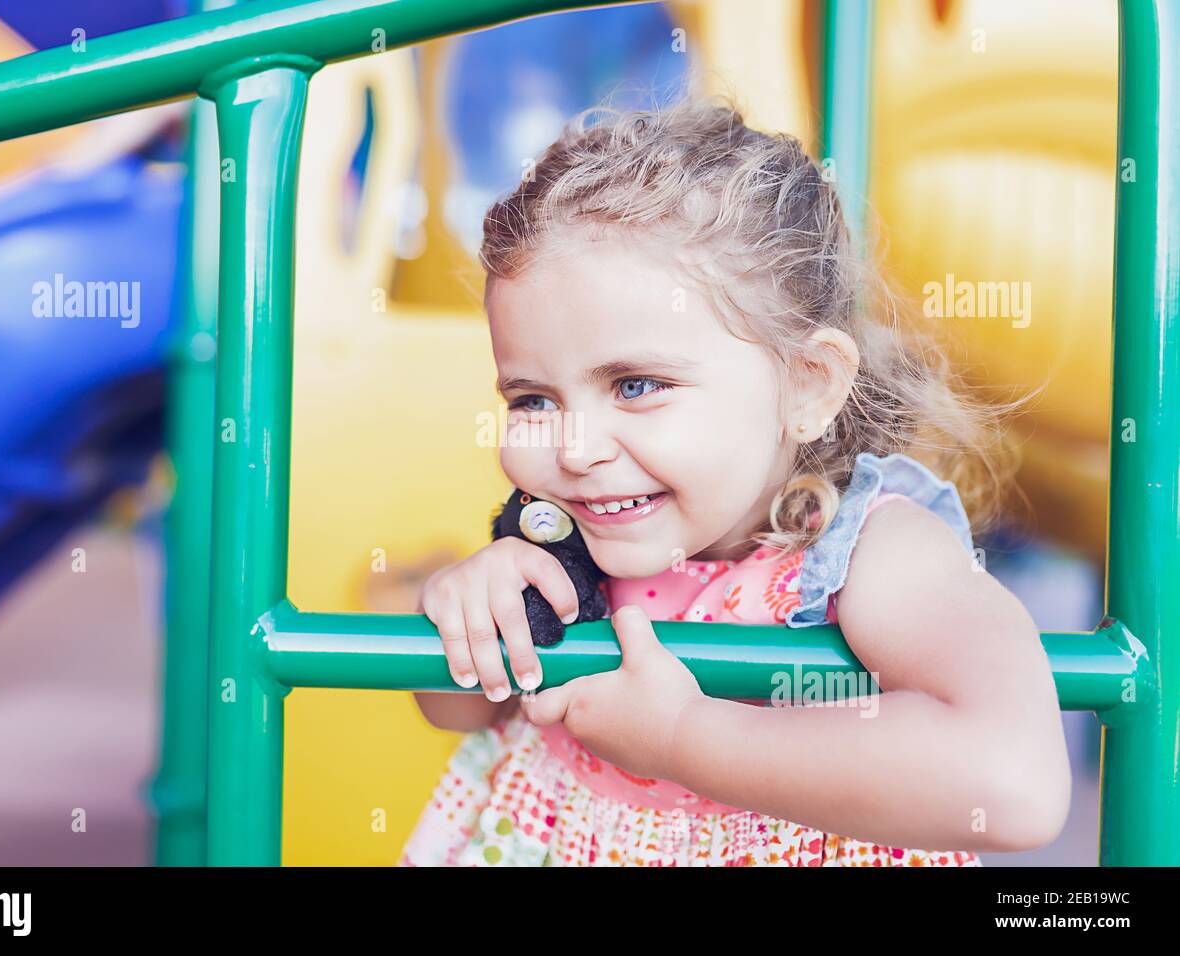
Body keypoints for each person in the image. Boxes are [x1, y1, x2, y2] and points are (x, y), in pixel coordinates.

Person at [399, 95, 1069, 866]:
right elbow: (456, 711)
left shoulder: (866, 554)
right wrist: (460, 609)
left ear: (810, 386)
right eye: (533, 399)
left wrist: (686, 737)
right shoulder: (559, 548)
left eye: (637, 385)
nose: (575, 449)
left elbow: (1012, 784)